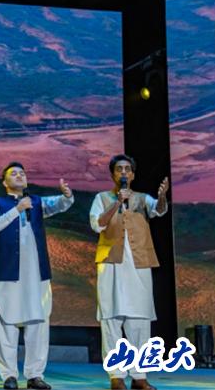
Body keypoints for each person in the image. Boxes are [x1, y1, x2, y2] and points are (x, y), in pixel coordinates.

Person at [0, 162, 74, 390]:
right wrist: (16, 209)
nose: (19, 176)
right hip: (8, 272)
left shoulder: (36, 202)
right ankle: (9, 375)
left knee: (38, 323)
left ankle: (35, 375)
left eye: (22, 173)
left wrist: (66, 196)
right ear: (4, 182)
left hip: (36, 274)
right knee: (6, 323)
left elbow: (59, 205)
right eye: (13, 173)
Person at [89, 154, 168, 390]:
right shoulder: (101, 198)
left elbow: (159, 210)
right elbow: (97, 224)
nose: (123, 172)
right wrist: (116, 202)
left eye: (127, 169)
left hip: (138, 265)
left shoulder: (143, 199)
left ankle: (139, 376)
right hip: (111, 265)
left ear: (132, 174)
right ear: (113, 174)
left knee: (140, 321)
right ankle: (116, 376)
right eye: (119, 169)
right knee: (111, 320)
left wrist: (162, 196)